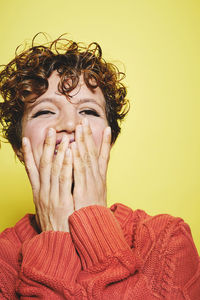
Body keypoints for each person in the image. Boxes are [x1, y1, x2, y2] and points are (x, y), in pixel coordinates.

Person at [0, 34, 199, 300]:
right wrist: (54, 237)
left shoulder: (167, 239)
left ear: (110, 140)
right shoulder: (4, 258)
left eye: (89, 112)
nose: (70, 124)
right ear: (19, 148)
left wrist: (95, 227)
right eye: (44, 111)